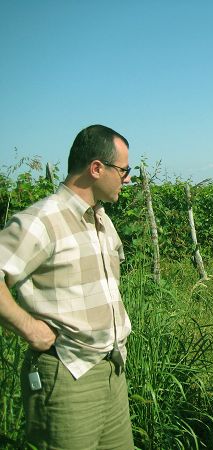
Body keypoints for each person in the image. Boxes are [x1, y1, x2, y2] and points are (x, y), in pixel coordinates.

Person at [0, 124, 134, 449]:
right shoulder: (40, 221)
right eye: (124, 170)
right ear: (97, 168)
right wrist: (31, 329)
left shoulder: (101, 218)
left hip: (112, 370)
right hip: (66, 375)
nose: (128, 179)